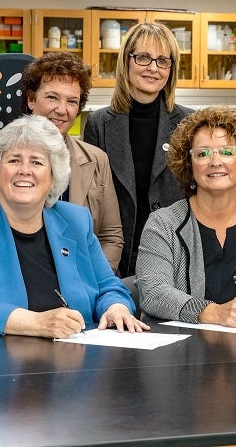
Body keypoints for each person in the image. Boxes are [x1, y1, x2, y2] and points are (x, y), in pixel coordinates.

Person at [0, 114, 148, 337]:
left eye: (37, 162)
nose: (25, 170)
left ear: (54, 178)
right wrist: (37, 323)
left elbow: (109, 287)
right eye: (14, 160)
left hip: (71, 363)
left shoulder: (76, 221)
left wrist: (115, 308)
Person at [137, 107, 236, 326]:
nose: (215, 161)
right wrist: (212, 312)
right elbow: (153, 292)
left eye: (227, 152)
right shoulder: (163, 225)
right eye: (202, 153)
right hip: (181, 355)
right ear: (188, 164)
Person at [0, 52, 124, 271]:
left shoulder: (97, 160)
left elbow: (111, 236)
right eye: (52, 97)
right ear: (31, 99)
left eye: (72, 101)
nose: (61, 110)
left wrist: (95, 283)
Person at [83, 22, 193, 279]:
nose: (153, 68)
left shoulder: (189, 123)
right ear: (127, 61)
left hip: (174, 253)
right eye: (143, 57)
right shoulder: (99, 124)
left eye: (163, 60)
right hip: (118, 255)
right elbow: (92, 199)